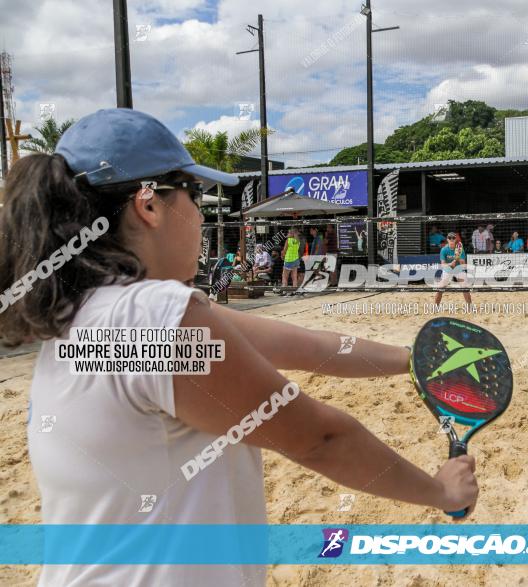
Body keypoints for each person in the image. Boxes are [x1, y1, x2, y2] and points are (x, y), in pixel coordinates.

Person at [0, 108, 478, 586]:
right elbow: (321, 439)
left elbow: (310, 348)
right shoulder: (151, 319)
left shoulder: (88, 314)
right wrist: (440, 491)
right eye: (196, 196)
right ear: (148, 204)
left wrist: (416, 362)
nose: (202, 215)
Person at [435, 232, 473, 305]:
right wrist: (450, 264)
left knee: (465, 288)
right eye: (450, 238)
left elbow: (463, 264)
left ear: (455, 239)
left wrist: (458, 258)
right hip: (448, 270)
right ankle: (436, 306)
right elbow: (443, 264)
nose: (451, 239)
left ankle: (469, 306)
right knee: (440, 288)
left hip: (459, 269)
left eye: (453, 238)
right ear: (447, 239)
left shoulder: (459, 248)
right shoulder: (444, 249)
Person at [281, 228, 303, 295]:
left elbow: (284, 250)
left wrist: (282, 255)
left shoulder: (288, 240)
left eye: (288, 232)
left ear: (292, 234)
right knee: (294, 277)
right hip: (296, 260)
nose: (287, 234)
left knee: (284, 277)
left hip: (288, 260)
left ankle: (284, 291)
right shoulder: (298, 241)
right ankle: (294, 291)